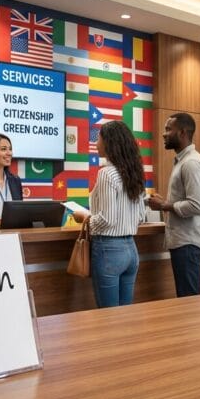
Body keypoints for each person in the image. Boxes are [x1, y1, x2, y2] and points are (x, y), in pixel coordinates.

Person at [73, 121, 148, 308]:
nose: (96, 144)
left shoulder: (106, 174)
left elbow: (107, 219)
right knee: (124, 315)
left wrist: (85, 218)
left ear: (109, 143)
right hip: (131, 250)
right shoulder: (135, 173)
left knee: (108, 317)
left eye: (98, 139)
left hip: (109, 251)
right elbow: (140, 216)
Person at [147, 113, 200, 297]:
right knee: (186, 297)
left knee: (189, 299)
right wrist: (165, 203)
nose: (164, 134)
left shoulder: (191, 163)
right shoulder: (183, 161)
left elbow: (196, 205)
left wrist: (165, 205)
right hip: (183, 242)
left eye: (168, 129)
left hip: (188, 242)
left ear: (182, 133)